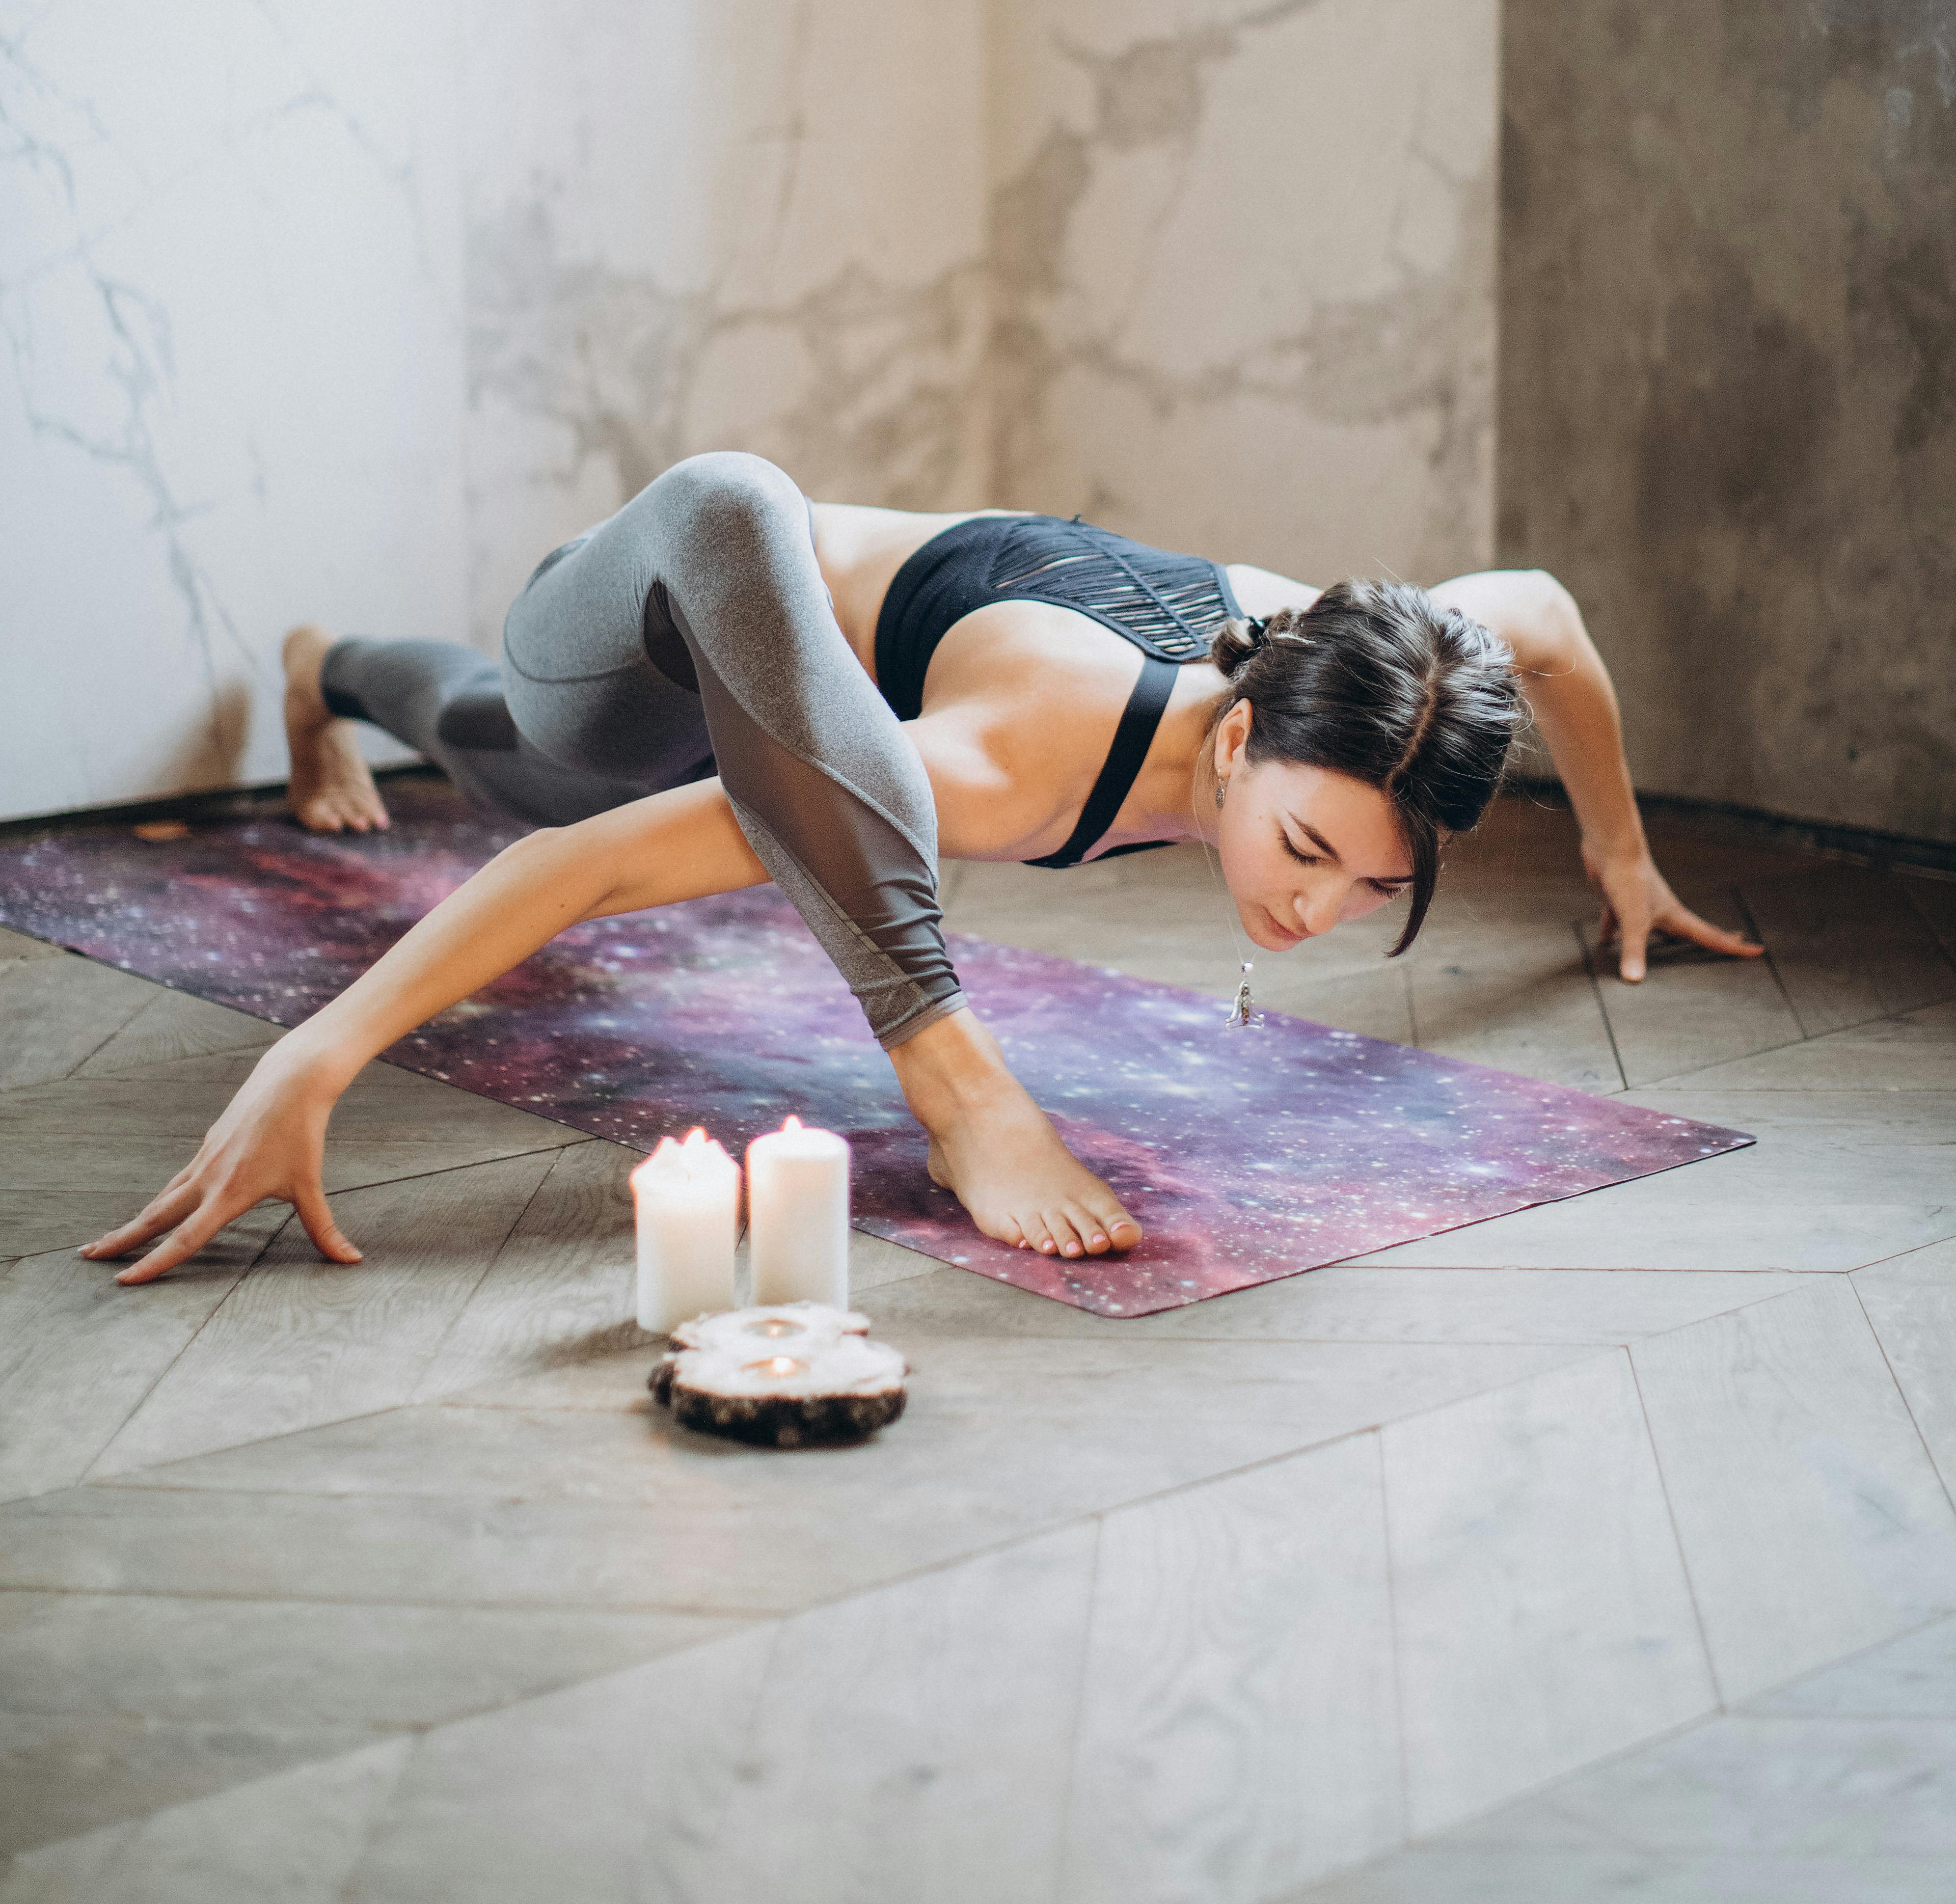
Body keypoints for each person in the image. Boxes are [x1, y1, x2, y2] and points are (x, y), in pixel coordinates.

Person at [84, 455, 1757, 1288]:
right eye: (1310, 852)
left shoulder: (1367, 670)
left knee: (787, 760)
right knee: (492, 735)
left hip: (829, 698)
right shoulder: (1007, 765)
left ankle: (342, 672)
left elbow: (1536, 614)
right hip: (648, 645)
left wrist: (1621, 856)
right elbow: (582, 859)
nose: (1313, 908)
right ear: (1238, 748)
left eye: (1369, 892)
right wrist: (321, 1052)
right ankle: (329, 667)